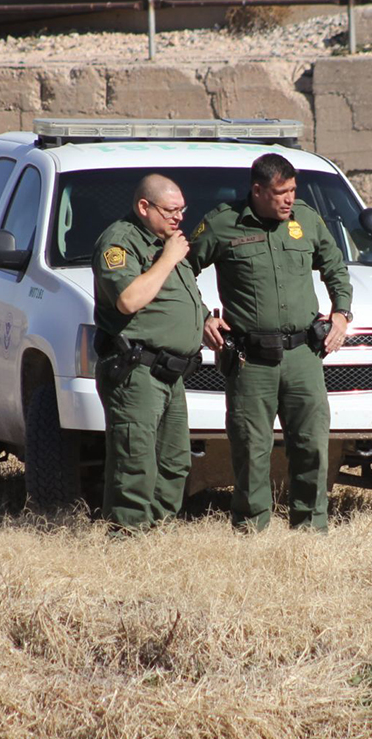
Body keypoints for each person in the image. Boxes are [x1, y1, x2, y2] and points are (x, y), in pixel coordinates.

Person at [190, 154, 353, 532]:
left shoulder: (307, 220)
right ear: (258, 190)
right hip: (251, 360)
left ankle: (311, 528)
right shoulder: (222, 224)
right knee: (251, 448)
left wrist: (342, 312)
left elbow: (335, 267)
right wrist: (202, 317)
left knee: (312, 444)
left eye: (293, 190)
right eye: (281, 192)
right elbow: (182, 270)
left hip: (303, 356)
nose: (288, 199)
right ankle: (251, 529)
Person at [92, 173, 215, 532]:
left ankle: (156, 533)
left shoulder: (168, 240)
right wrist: (168, 258)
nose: (179, 217)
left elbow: (176, 297)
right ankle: (128, 537)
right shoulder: (120, 242)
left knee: (175, 462)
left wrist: (205, 321)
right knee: (135, 461)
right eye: (170, 210)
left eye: (182, 210)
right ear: (144, 207)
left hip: (170, 372)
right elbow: (129, 299)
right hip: (137, 370)